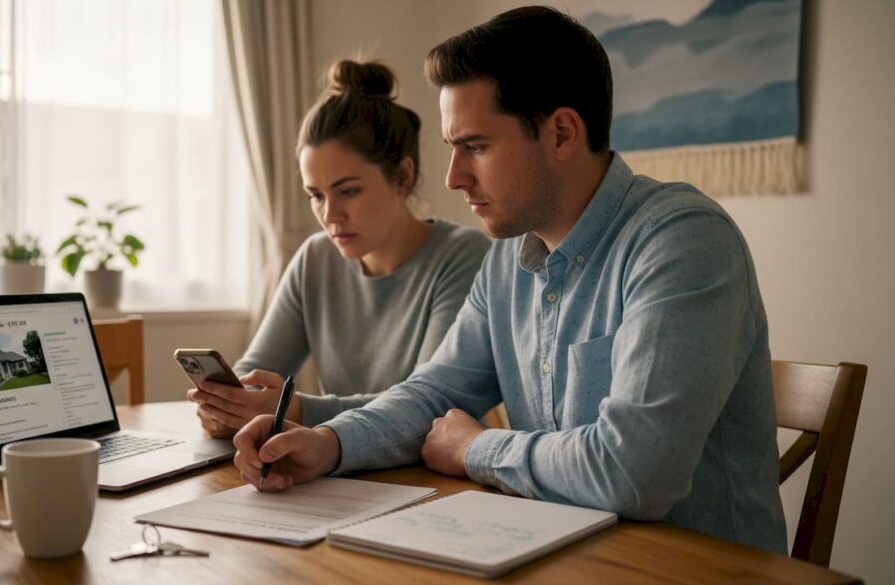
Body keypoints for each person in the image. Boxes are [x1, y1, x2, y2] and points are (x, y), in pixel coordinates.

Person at [231, 6, 788, 554]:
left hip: (695, 570)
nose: (453, 178)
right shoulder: (507, 259)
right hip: (561, 555)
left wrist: (478, 448)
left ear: (563, 133)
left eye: (474, 146)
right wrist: (328, 444)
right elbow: (435, 393)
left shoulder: (682, 240)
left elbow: (635, 472)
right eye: (453, 149)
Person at [187, 59, 491, 436]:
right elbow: (256, 370)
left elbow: (428, 406)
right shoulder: (315, 258)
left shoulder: (463, 256)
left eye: (348, 191)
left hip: (431, 475)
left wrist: (294, 409)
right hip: (336, 470)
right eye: (315, 195)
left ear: (403, 176)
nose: (330, 214)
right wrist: (231, 407)